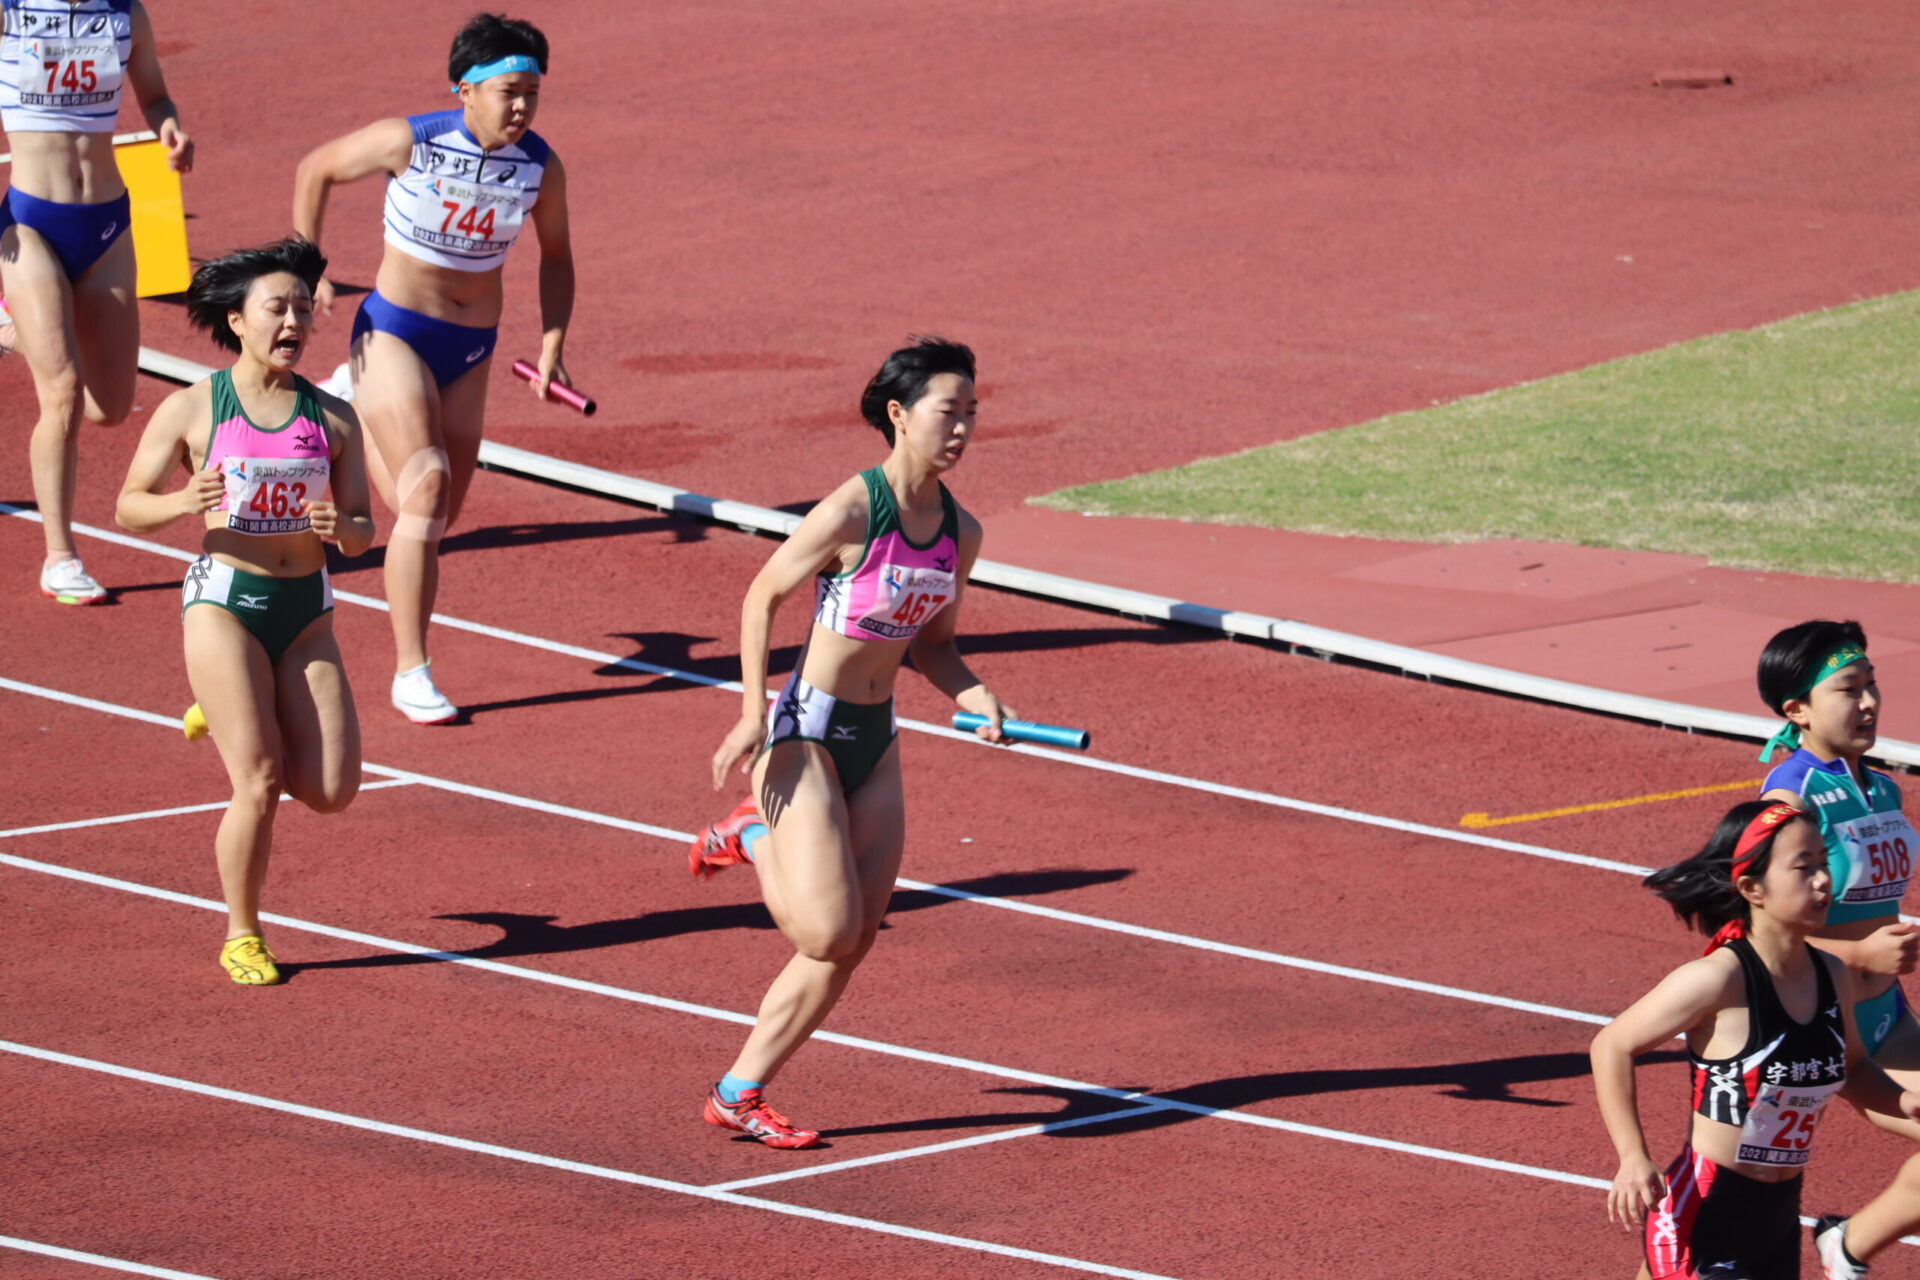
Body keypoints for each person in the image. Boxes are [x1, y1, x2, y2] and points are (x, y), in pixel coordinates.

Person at [687, 337, 1013, 1148]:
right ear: (900, 416)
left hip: (877, 736)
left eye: (973, 412)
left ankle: (739, 1091)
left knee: (855, 939)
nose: (964, 428)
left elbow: (934, 645)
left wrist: (975, 694)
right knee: (825, 933)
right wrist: (751, 710)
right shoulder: (851, 511)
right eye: (950, 411)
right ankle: (753, 834)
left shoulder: (959, 534)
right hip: (807, 731)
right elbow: (762, 598)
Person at [290, 11, 573, 724]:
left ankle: (341, 417)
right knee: (427, 488)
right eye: (509, 91)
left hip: (471, 350)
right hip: (394, 332)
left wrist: (551, 342)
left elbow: (558, 259)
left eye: (532, 94)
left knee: (435, 513)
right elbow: (315, 168)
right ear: (464, 89)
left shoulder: (540, 166)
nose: (521, 107)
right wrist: (306, 266)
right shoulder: (410, 141)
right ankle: (411, 671)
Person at [114, 236, 373, 985]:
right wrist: (177, 502)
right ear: (237, 320)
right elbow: (128, 506)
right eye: (277, 307)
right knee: (258, 781)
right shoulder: (195, 407)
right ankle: (243, 932)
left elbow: (362, 528)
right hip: (225, 605)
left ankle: (224, 708)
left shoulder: (332, 418)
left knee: (331, 791)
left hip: (305, 610)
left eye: (301, 308)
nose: (294, 320)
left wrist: (343, 530)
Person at [1592, 800, 1920, 1280]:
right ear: (1752, 888)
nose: (1823, 880)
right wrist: (1632, 1156)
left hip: (1778, 1217)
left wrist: (1906, 1102)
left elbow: (1852, 1070)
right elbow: (1611, 1045)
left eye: (1825, 864)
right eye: (1803, 868)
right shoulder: (1719, 977)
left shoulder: (1832, 975)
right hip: (1704, 1211)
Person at [1, 0, 192, 603]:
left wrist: (168, 126)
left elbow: (156, 94)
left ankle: (12, 329)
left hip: (107, 224)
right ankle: (61, 555)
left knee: (108, 407)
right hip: (29, 225)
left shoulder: (125, 13)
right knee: (60, 395)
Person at [1754, 620, 1920, 1276]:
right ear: (1796, 710)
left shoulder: (1883, 788)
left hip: (1887, 1018)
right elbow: (1760, 935)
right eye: (1850, 690)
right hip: (1822, 1029)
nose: (1870, 702)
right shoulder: (1788, 796)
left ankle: (1844, 1246)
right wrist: (1858, 958)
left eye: (1872, 685)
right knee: (1720, 1205)